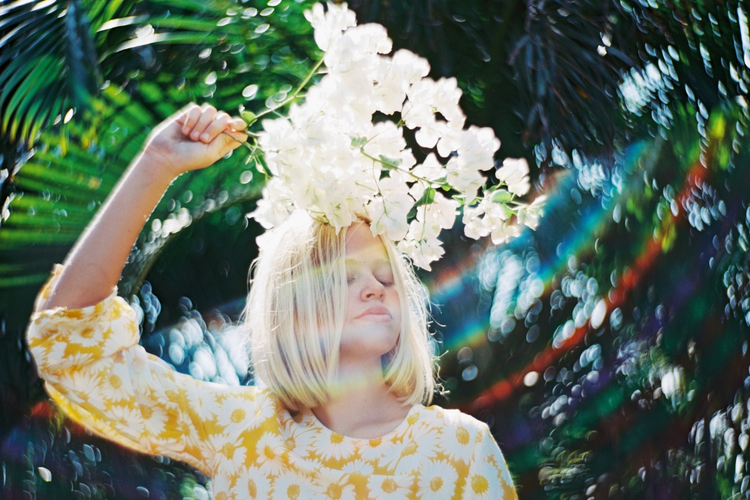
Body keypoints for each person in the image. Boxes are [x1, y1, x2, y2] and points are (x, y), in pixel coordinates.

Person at [27, 103, 518, 499]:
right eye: (345, 276)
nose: (375, 287)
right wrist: (157, 164)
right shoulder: (237, 431)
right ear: (294, 305)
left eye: (386, 276)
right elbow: (71, 345)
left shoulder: (460, 449)